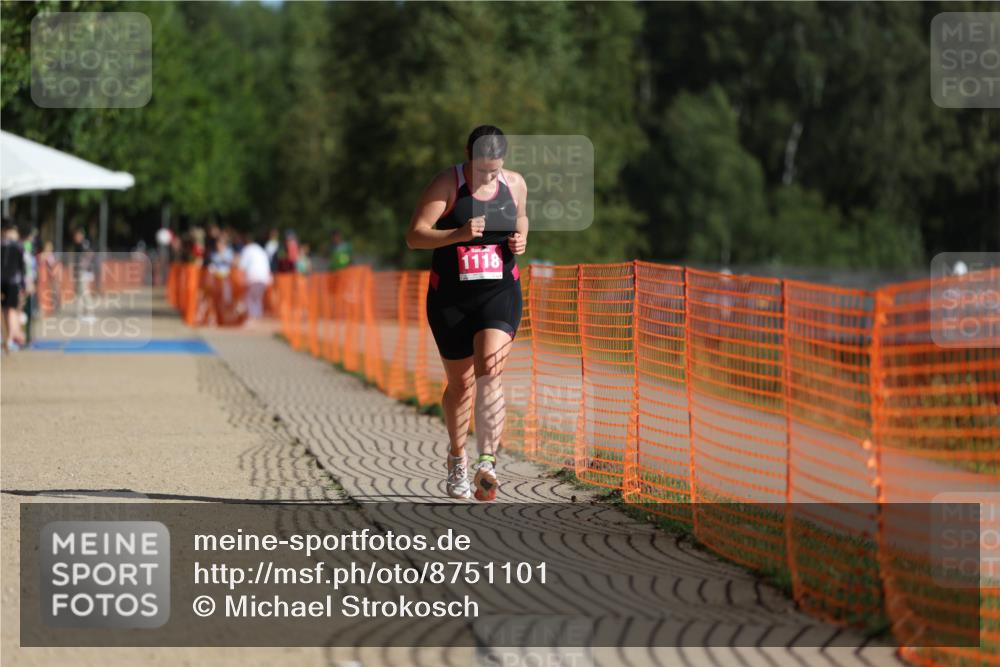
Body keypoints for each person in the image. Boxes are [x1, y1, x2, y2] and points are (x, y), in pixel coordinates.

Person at [405, 125, 528, 500]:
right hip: (452, 299)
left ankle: (487, 462)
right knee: (461, 385)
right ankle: (457, 457)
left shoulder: (515, 184)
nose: (487, 176)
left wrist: (522, 235)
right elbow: (415, 236)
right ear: (467, 156)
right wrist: (457, 234)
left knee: (490, 370)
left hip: (499, 291)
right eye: (481, 169)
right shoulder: (447, 184)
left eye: (494, 169)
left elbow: (521, 216)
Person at [1, 220, 27, 352]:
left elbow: (21, 268)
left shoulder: (17, 247)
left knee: (10, 310)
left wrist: (23, 285)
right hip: (5, 281)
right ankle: (8, 338)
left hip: (12, 283)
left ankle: (10, 338)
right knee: (7, 311)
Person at [239, 233, 273, 321]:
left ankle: (253, 318)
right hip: (264, 278)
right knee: (256, 298)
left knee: (250, 298)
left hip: (254, 277)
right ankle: (257, 318)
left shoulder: (248, 249)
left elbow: (242, 265)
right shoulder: (261, 250)